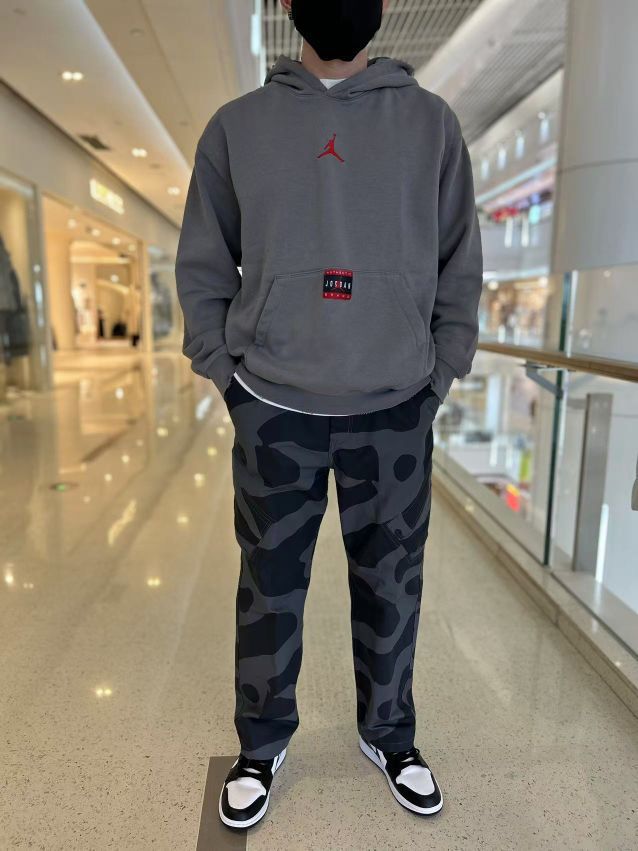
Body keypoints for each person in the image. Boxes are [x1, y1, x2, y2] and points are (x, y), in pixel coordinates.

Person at [175, 0, 483, 830]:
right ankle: (261, 742)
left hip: (396, 406)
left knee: (393, 584)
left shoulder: (430, 124)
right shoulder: (239, 127)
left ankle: (390, 734)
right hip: (276, 405)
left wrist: (439, 374)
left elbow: (460, 262)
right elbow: (204, 263)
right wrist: (228, 378)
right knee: (269, 587)